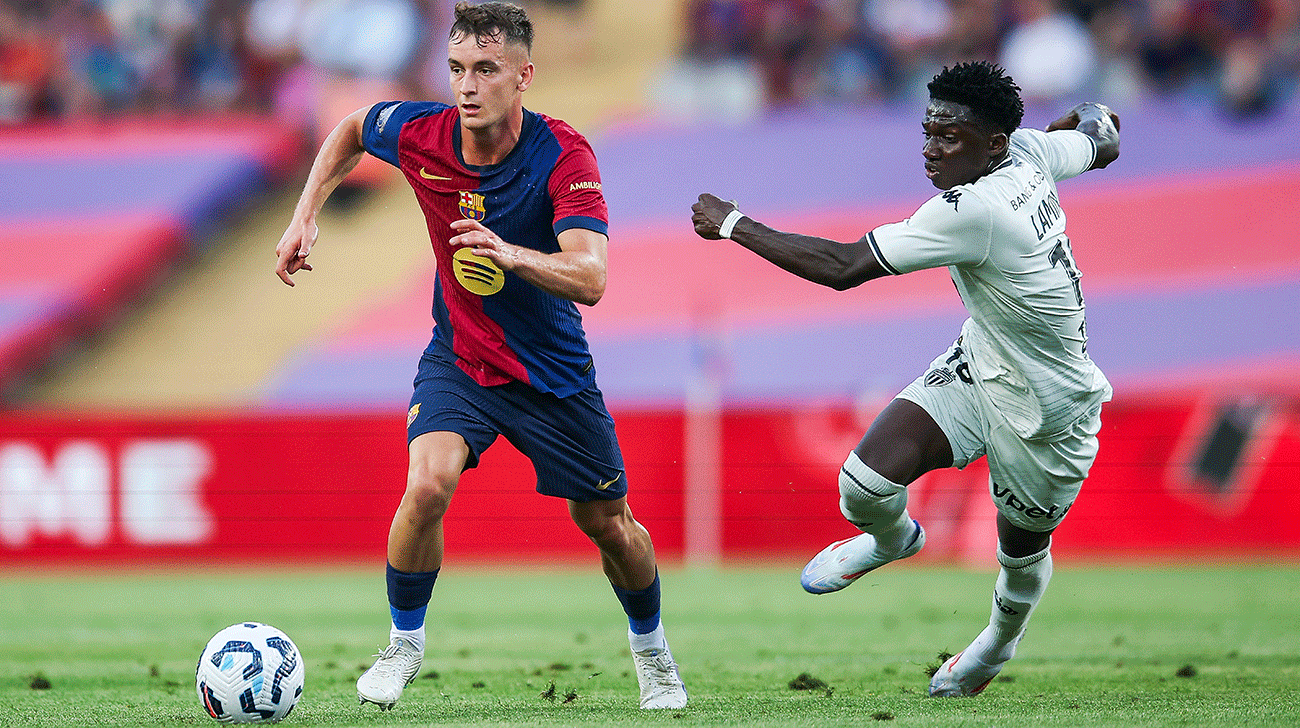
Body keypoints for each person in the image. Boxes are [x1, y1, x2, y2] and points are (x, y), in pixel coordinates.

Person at [274, 1, 687, 711]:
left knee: (608, 525)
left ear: (523, 76)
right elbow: (348, 128)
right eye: (458, 68)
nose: (468, 85)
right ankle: (403, 644)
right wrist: (304, 213)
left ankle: (654, 655)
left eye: (486, 70)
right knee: (428, 483)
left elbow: (592, 277)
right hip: (460, 358)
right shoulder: (422, 133)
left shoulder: (564, 155)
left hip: (553, 375)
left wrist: (510, 253)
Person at [691, 61, 1118, 697]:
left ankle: (994, 648)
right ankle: (893, 539)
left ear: (991, 143)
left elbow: (842, 267)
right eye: (929, 132)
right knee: (862, 484)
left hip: (1051, 408)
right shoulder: (1028, 150)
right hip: (983, 363)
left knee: (1019, 558)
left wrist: (734, 225)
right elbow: (1104, 137)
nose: (931, 150)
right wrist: (1087, 116)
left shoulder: (977, 208)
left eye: (950, 137)